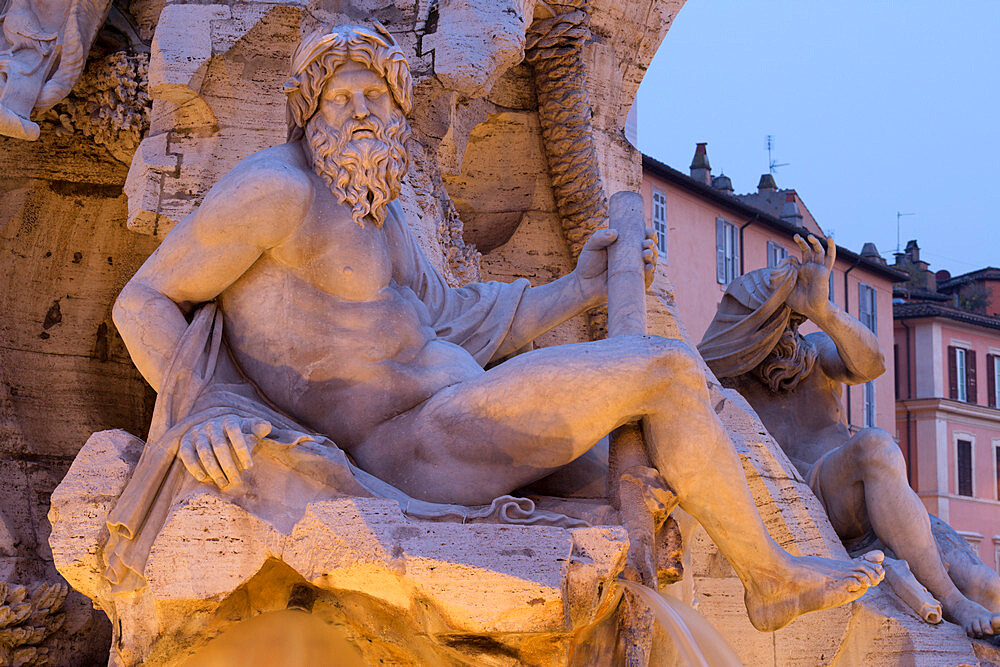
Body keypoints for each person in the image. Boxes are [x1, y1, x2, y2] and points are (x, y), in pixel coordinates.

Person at [111, 24, 883, 631]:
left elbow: (459, 317)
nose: (359, 114)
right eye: (340, 98)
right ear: (306, 112)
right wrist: (208, 405)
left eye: (375, 98)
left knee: (653, 480)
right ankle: (772, 581)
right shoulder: (274, 191)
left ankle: (731, 580)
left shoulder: (379, 213)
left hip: (458, 416)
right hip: (413, 444)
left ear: (398, 111)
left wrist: (578, 287)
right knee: (670, 370)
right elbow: (141, 299)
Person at [699, 233, 1000, 637]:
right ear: (753, 331)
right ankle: (955, 603)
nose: (791, 334)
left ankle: (967, 598)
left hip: (882, 497)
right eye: (780, 323)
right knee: (876, 444)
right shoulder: (724, 383)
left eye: (792, 323)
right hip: (815, 497)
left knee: (986, 583)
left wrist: (823, 311)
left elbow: (872, 364)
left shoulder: (814, 353)